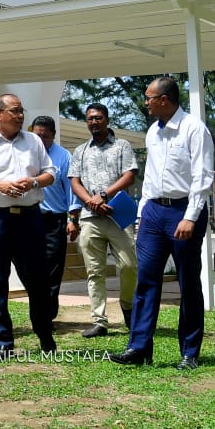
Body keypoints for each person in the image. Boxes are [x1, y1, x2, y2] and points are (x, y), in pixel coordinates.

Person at [111, 77, 214, 371]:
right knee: (146, 280)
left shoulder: (194, 129)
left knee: (188, 281)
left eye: (149, 98)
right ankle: (139, 347)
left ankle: (189, 353)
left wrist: (190, 216)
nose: (146, 102)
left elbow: (203, 176)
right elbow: (151, 176)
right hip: (154, 213)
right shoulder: (152, 132)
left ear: (164, 99)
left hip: (183, 210)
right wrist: (143, 213)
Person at [0, 94, 58, 357]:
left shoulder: (34, 141)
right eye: (14, 111)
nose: (20, 116)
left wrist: (33, 182)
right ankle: (3, 342)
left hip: (30, 218)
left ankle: (45, 337)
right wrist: (0, 186)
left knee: (38, 281)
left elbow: (51, 173)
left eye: (21, 111)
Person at [68, 102, 139, 337]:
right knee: (95, 271)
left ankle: (128, 307)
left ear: (107, 120)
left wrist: (104, 195)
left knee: (129, 266)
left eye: (98, 118)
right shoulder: (80, 151)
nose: (94, 122)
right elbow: (75, 182)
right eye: (90, 118)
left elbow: (130, 175)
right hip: (90, 218)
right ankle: (99, 321)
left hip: (118, 216)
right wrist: (91, 201)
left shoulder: (122, 146)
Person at [29, 115, 79, 326]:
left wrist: (73, 219)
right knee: (31, 269)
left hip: (54, 221)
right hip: (30, 218)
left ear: (54, 135)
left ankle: (47, 316)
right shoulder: (25, 153)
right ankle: (37, 312)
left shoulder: (64, 156)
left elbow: (72, 190)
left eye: (46, 136)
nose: (41, 140)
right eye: (37, 135)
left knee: (52, 270)